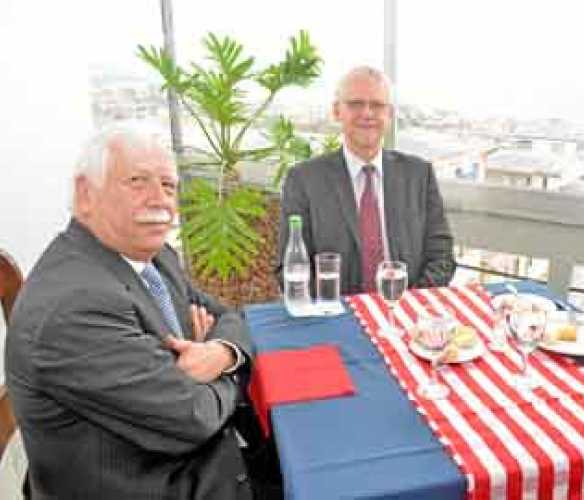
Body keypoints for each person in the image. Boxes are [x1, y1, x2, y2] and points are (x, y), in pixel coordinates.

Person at [5, 126, 263, 499]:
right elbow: (195, 416)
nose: (159, 200)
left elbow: (227, 315)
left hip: (201, 463)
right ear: (85, 194)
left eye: (169, 186)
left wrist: (219, 352)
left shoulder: (154, 257)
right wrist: (230, 369)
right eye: (137, 181)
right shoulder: (73, 308)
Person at [278, 65, 455, 295]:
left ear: (389, 114)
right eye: (355, 104)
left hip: (406, 313)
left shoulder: (419, 175)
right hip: (336, 317)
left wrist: (408, 306)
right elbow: (291, 267)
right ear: (336, 111)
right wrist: (342, 310)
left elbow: (441, 256)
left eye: (377, 105)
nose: (367, 113)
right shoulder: (304, 180)